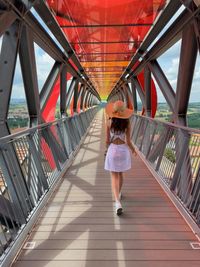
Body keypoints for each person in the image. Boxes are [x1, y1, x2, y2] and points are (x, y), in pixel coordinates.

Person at [104, 100, 137, 215]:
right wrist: (133, 150)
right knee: (121, 173)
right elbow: (128, 141)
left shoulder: (109, 122)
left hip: (113, 149)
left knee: (114, 176)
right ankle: (119, 192)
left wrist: (106, 148)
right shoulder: (127, 123)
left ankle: (117, 201)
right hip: (123, 151)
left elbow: (107, 141)